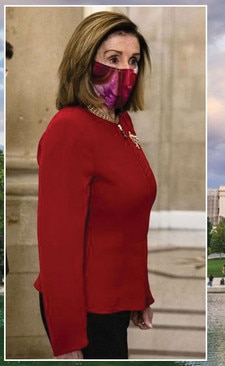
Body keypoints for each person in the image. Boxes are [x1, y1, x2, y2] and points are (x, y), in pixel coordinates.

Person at [34, 11, 155, 359]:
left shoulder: (121, 123)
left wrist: (139, 295)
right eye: (112, 59)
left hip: (114, 300)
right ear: (85, 62)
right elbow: (58, 241)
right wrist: (67, 335)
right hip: (85, 309)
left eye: (133, 61)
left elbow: (129, 225)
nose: (126, 71)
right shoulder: (69, 128)